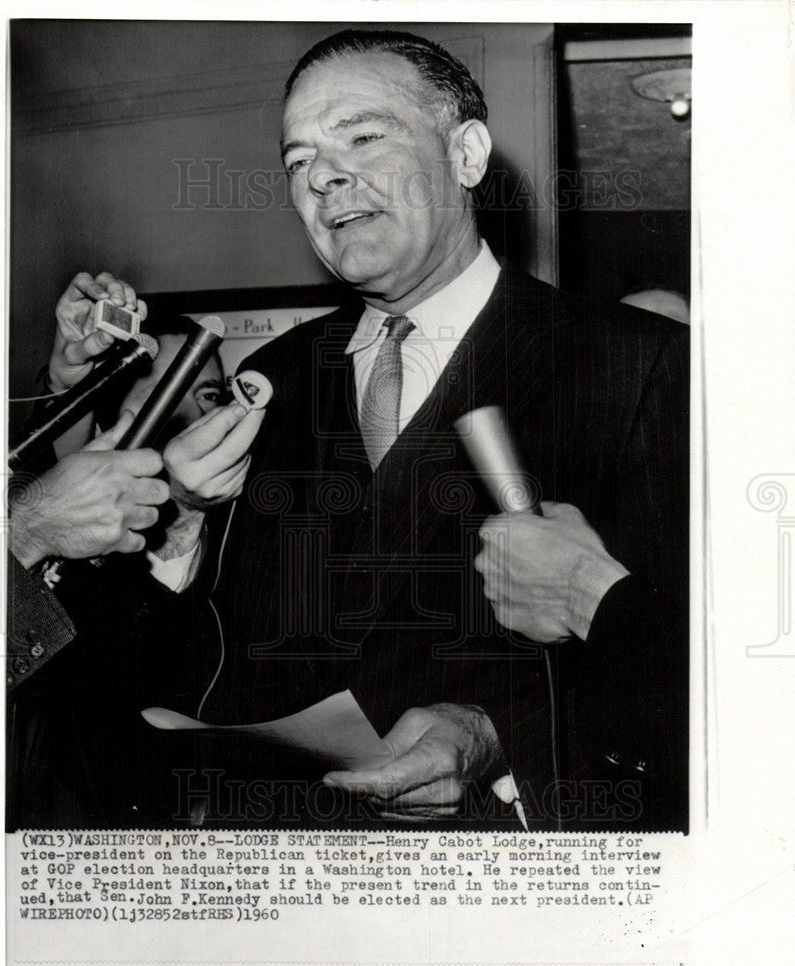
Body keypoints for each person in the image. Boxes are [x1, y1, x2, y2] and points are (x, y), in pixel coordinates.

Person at [80, 30, 689, 830]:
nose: (323, 176)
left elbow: (694, 674)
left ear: (467, 155)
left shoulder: (636, 363)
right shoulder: (274, 376)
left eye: (363, 136)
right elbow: (194, 657)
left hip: (500, 877)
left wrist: (495, 739)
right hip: (275, 866)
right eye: (298, 162)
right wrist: (182, 528)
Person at [6, 272, 262, 828]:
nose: (201, 414)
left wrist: (188, 512)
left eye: (211, 394)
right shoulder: (69, 558)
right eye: (173, 390)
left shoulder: (257, 533)